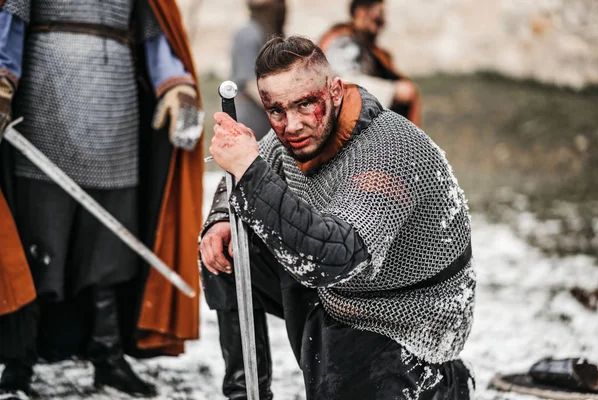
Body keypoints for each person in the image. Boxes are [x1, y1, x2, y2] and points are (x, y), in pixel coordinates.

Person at [200, 36, 475, 400]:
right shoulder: (296, 135)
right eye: (276, 111)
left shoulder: (388, 151)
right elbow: (258, 167)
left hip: (404, 318)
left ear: (334, 91)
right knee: (226, 250)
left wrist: (248, 172)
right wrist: (223, 216)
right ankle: (244, 393)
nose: (292, 124)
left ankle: (444, 383)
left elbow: (335, 257)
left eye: (304, 104)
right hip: (338, 290)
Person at [0, 0, 205, 397]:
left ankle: (108, 356)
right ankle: (18, 364)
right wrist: (3, 81)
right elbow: (10, 19)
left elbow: (156, 30)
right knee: (36, 247)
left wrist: (175, 83)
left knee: (109, 253)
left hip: (116, 119)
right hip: (44, 110)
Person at [319, 0, 422, 126]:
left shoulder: (367, 44)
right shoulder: (343, 40)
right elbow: (343, 81)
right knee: (407, 92)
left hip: (358, 102)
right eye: (377, 18)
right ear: (361, 12)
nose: (382, 23)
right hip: (346, 104)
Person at [230, 0, 286, 140]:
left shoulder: (268, 35)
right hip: (249, 116)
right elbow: (249, 83)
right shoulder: (248, 34)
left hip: (264, 117)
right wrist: (281, 108)